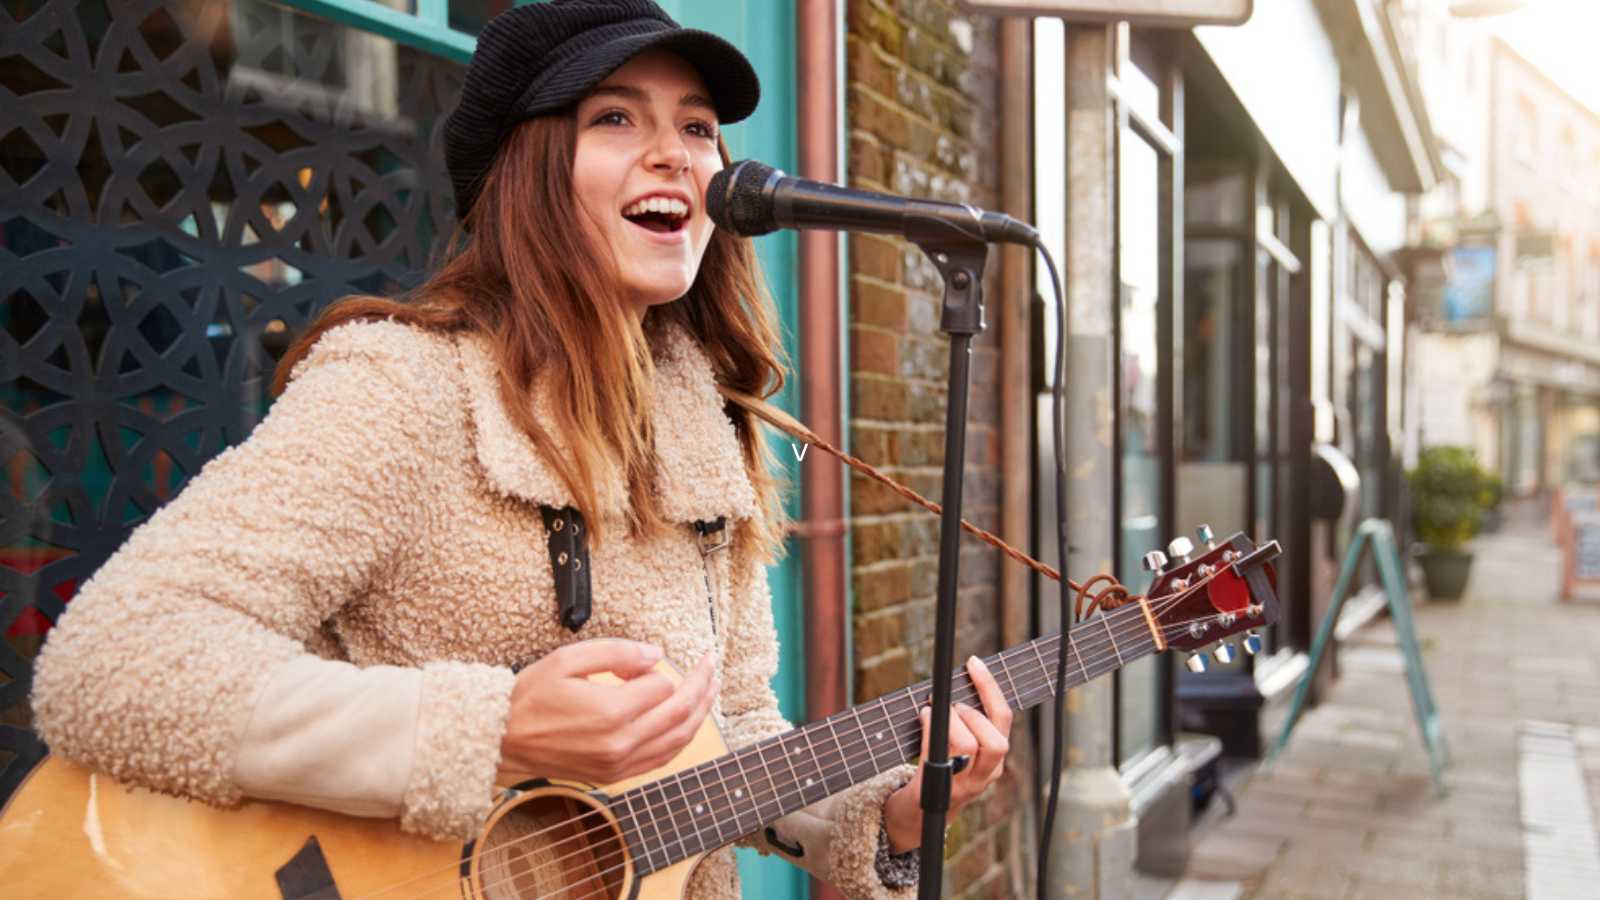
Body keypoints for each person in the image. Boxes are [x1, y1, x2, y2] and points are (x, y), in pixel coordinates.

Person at [30, 2, 1011, 897]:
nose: (674, 153)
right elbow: (112, 665)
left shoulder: (708, 434)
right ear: (528, 169)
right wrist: (485, 731)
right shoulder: (403, 388)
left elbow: (732, 734)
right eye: (616, 118)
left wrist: (879, 812)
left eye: (698, 126)